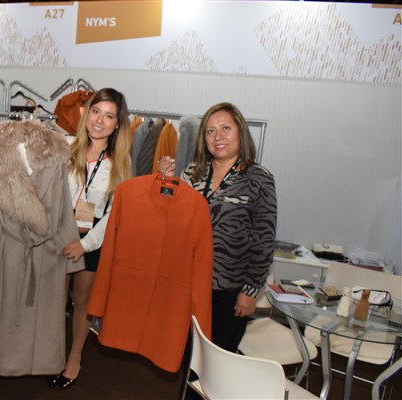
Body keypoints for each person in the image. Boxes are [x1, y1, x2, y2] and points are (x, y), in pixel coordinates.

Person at [159, 102, 277, 353]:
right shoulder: (192, 172)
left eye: (225, 128)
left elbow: (264, 241)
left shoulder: (259, 178)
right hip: (189, 285)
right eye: (210, 131)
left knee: (217, 359)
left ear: (240, 132)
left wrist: (250, 292)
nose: (217, 137)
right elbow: (172, 219)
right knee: (185, 355)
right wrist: (166, 182)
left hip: (229, 292)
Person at [49, 88, 132, 388]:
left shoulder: (120, 162)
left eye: (109, 116)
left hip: (93, 238)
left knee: (82, 302)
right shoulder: (65, 147)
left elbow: (114, 215)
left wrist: (83, 245)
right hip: (60, 231)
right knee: (55, 301)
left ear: (117, 124)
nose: (99, 120)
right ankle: (52, 354)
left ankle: (74, 358)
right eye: (96, 111)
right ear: (86, 113)